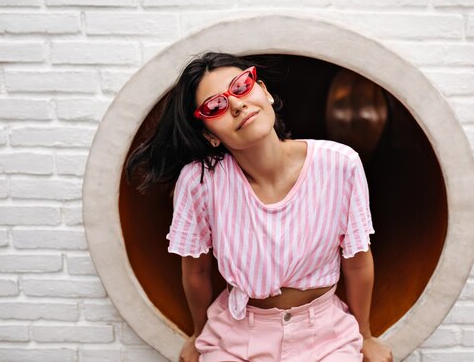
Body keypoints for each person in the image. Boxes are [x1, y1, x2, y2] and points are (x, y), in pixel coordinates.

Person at [125, 52, 393, 362]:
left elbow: (358, 261)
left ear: (263, 91)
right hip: (237, 338)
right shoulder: (200, 182)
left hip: (326, 336)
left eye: (241, 87)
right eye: (215, 106)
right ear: (209, 134)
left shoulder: (340, 164)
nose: (236, 104)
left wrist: (367, 335)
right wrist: (199, 334)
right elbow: (196, 272)